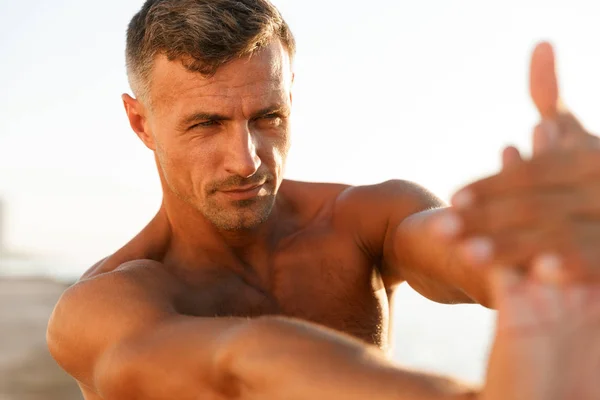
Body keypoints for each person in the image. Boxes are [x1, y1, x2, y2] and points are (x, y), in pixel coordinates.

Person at [46, 1, 600, 399]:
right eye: (206, 124)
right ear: (141, 122)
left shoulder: (364, 219)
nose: (246, 159)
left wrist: (546, 249)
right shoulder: (102, 307)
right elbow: (238, 368)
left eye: (268, 117)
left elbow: (454, 249)